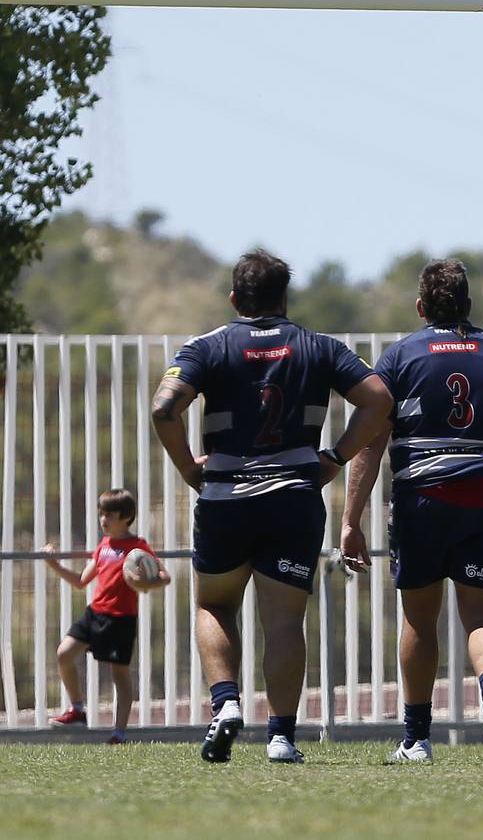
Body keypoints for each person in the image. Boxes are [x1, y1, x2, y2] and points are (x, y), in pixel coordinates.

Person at [151, 251, 394, 765]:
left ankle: (225, 705)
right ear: (285, 298)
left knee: (214, 605)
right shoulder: (319, 347)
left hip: (225, 499)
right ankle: (281, 737)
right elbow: (378, 399)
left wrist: (189, 471)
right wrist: (335, 456)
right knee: (283, 622)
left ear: (235, 298)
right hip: (293, 499)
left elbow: (163, 407)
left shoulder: (208, 347)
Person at [339, 259, 483, 764]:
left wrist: (351, 520)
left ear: (420, 307)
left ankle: (416, 738)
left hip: (423, 500)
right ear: (469, 305)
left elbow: (369, 447)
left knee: (420, 619)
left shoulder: (399, 357)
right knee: (482, 615)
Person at [42, 489, 171, 744]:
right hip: (95, 613)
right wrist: (54, 564)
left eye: (109, 514)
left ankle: (119, 733)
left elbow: (165, 577)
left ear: (126, 517)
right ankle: (77, 710)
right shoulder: (103, 546)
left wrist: (146, 580)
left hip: (121, 619)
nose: (103, 519)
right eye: (101, 514)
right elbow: (81, 581)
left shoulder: (138, 547)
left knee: (119, 675)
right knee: (63, 654)